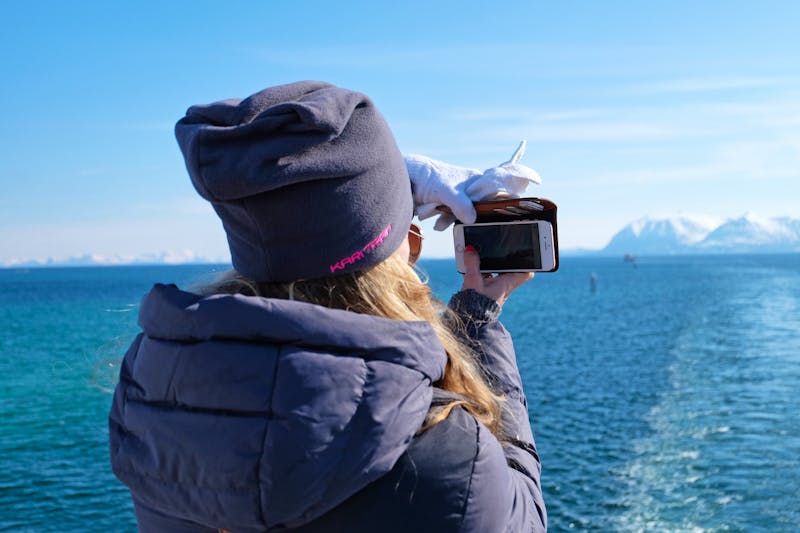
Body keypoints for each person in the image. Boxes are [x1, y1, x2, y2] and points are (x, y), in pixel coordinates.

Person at [109, 81, 547, 532]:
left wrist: (373, 194)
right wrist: (475, 321)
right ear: (394, 259)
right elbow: (523, 519)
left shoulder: (155, 395)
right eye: (407, 236)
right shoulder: (445, 453)